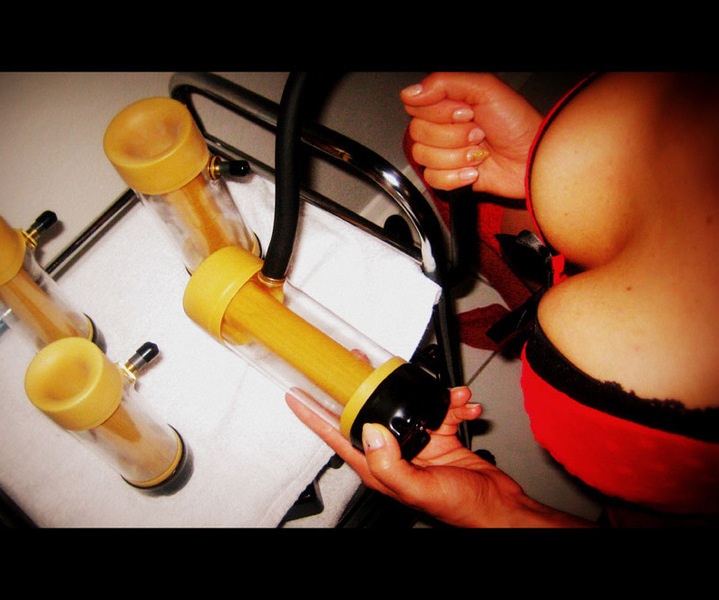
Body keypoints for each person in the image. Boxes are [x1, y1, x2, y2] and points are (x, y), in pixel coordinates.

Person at [286, 72, 719, 527]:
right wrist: (537, 168)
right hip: (552, 248)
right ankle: (523, 314)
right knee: (427, 152)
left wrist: (504, 514)